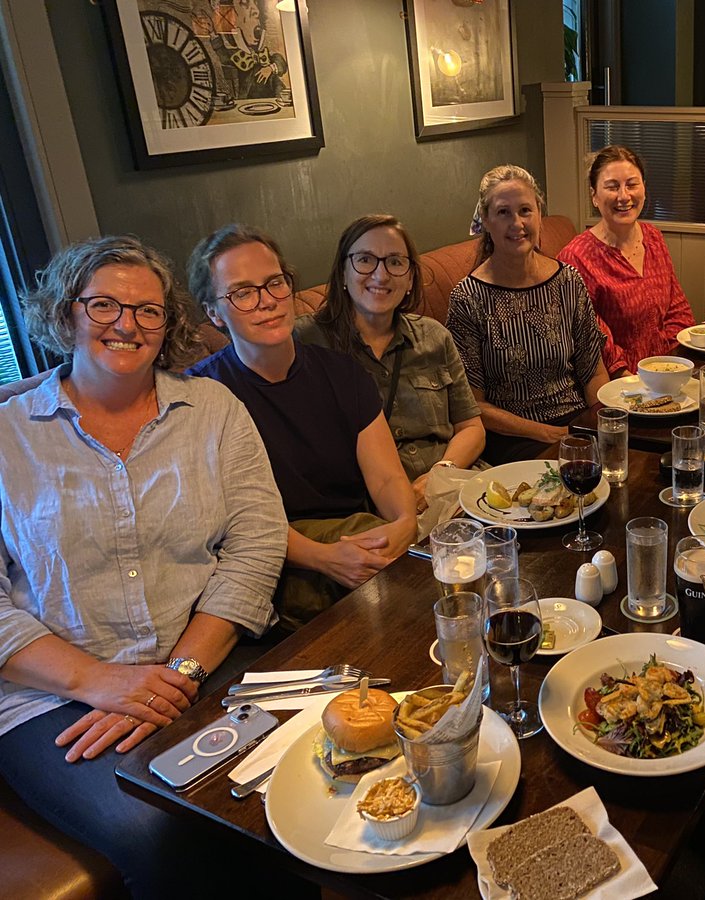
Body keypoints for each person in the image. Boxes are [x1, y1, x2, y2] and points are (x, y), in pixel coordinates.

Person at [0, 236, 290, 897]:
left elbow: (256, 543)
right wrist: (99, 681)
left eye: (148, 310)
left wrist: (181, 673)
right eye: (104, 304)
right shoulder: (8, 436)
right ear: (66, 312)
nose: (126, 323)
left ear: (170, 325)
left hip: (204, 665)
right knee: (163, 831)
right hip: (54, 701)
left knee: (292, 780)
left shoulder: (213, 412)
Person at [187, 225, 418, 630]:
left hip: (359, 540)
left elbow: (385, 478)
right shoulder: (201, 398)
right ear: (213, 313)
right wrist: (325, 558)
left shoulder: (343, 373)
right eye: (242, 292)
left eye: (274, 283)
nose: (267, 302)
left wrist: (404, 524)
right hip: (278, 561)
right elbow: (232, 523)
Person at [296, 215, 485, 511]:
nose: (381, 275)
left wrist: (440, 474)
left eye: (395, 262)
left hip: (453, 487)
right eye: (365, 260)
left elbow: (472, 428)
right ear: (342, 272)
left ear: (410, 278)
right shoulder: (307, 343)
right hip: (373, 508)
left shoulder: (434, 336)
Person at [448, 165, 607, 464]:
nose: (517, 223)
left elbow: (593, 372)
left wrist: (604, 424)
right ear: (486, 221)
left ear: (539, 215)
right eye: (503, 213)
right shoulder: (468, 298)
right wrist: (546, 433)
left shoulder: (568, 281)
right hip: (513, 437)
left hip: (574, 423)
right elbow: (472, 404)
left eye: (525, 210)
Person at [557, 145, 694, 376]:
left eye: (632, 184)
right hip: (619, 381)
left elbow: (677, 309)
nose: (624, 196)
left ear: (644, 189)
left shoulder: (653, 238)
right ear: (594, 196)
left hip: (668, 368)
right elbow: (592, 337)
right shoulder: (576, 258)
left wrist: (675, 363)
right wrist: (629, 378)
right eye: (612, 187)